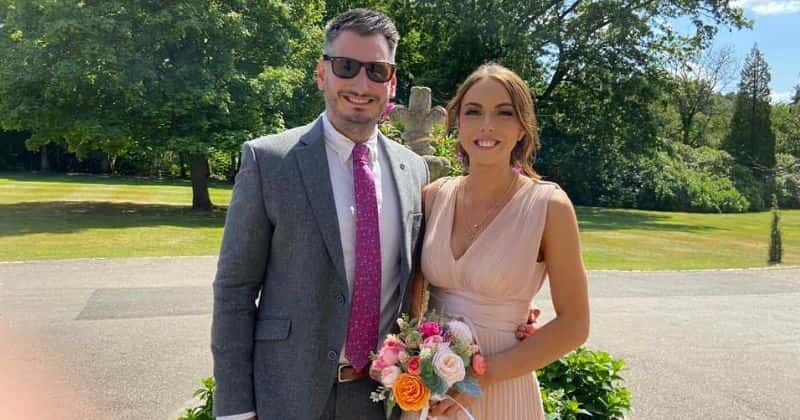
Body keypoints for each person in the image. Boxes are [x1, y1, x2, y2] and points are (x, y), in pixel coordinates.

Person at [210, 9, 429, 420]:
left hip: (380, 399)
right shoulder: (270, 161)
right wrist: (235, 410)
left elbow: (424, 279)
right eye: (346, 67)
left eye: (376, 71)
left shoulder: (412, 170)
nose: (361, 84)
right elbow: (235, 290)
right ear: (321, 73)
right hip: (288, 395)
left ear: (392, 82)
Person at [414, 64, 591, 419]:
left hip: (503, 386)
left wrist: (484, 375)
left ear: (523, 126)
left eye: (504, 113)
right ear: (457, 123)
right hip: (431, 391)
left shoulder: (548, 207)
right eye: (474, 112)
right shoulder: (433, 197)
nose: (487, 126)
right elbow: (411, 297)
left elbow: (575, 324)